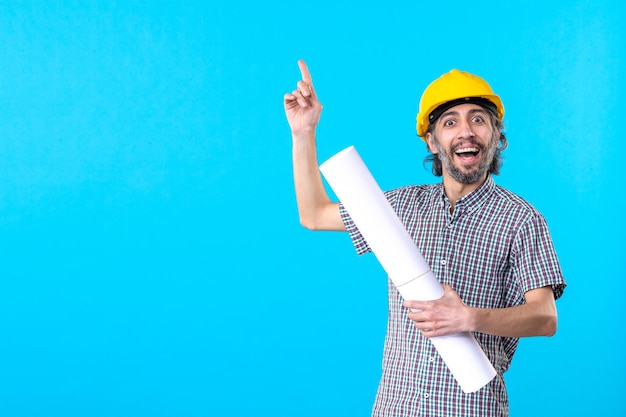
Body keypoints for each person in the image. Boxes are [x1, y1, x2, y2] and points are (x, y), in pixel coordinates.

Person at [284, 60, 566, 417]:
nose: (466, 131)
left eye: (478, 119)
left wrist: (469, 318)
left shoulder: (522, 220)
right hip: (394, 407)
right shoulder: (399, 208)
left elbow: (545, 317)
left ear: (496, 136)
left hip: (472, 409)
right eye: (450, 122)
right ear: (432, 141)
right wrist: (303, 133)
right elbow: (313, 214)